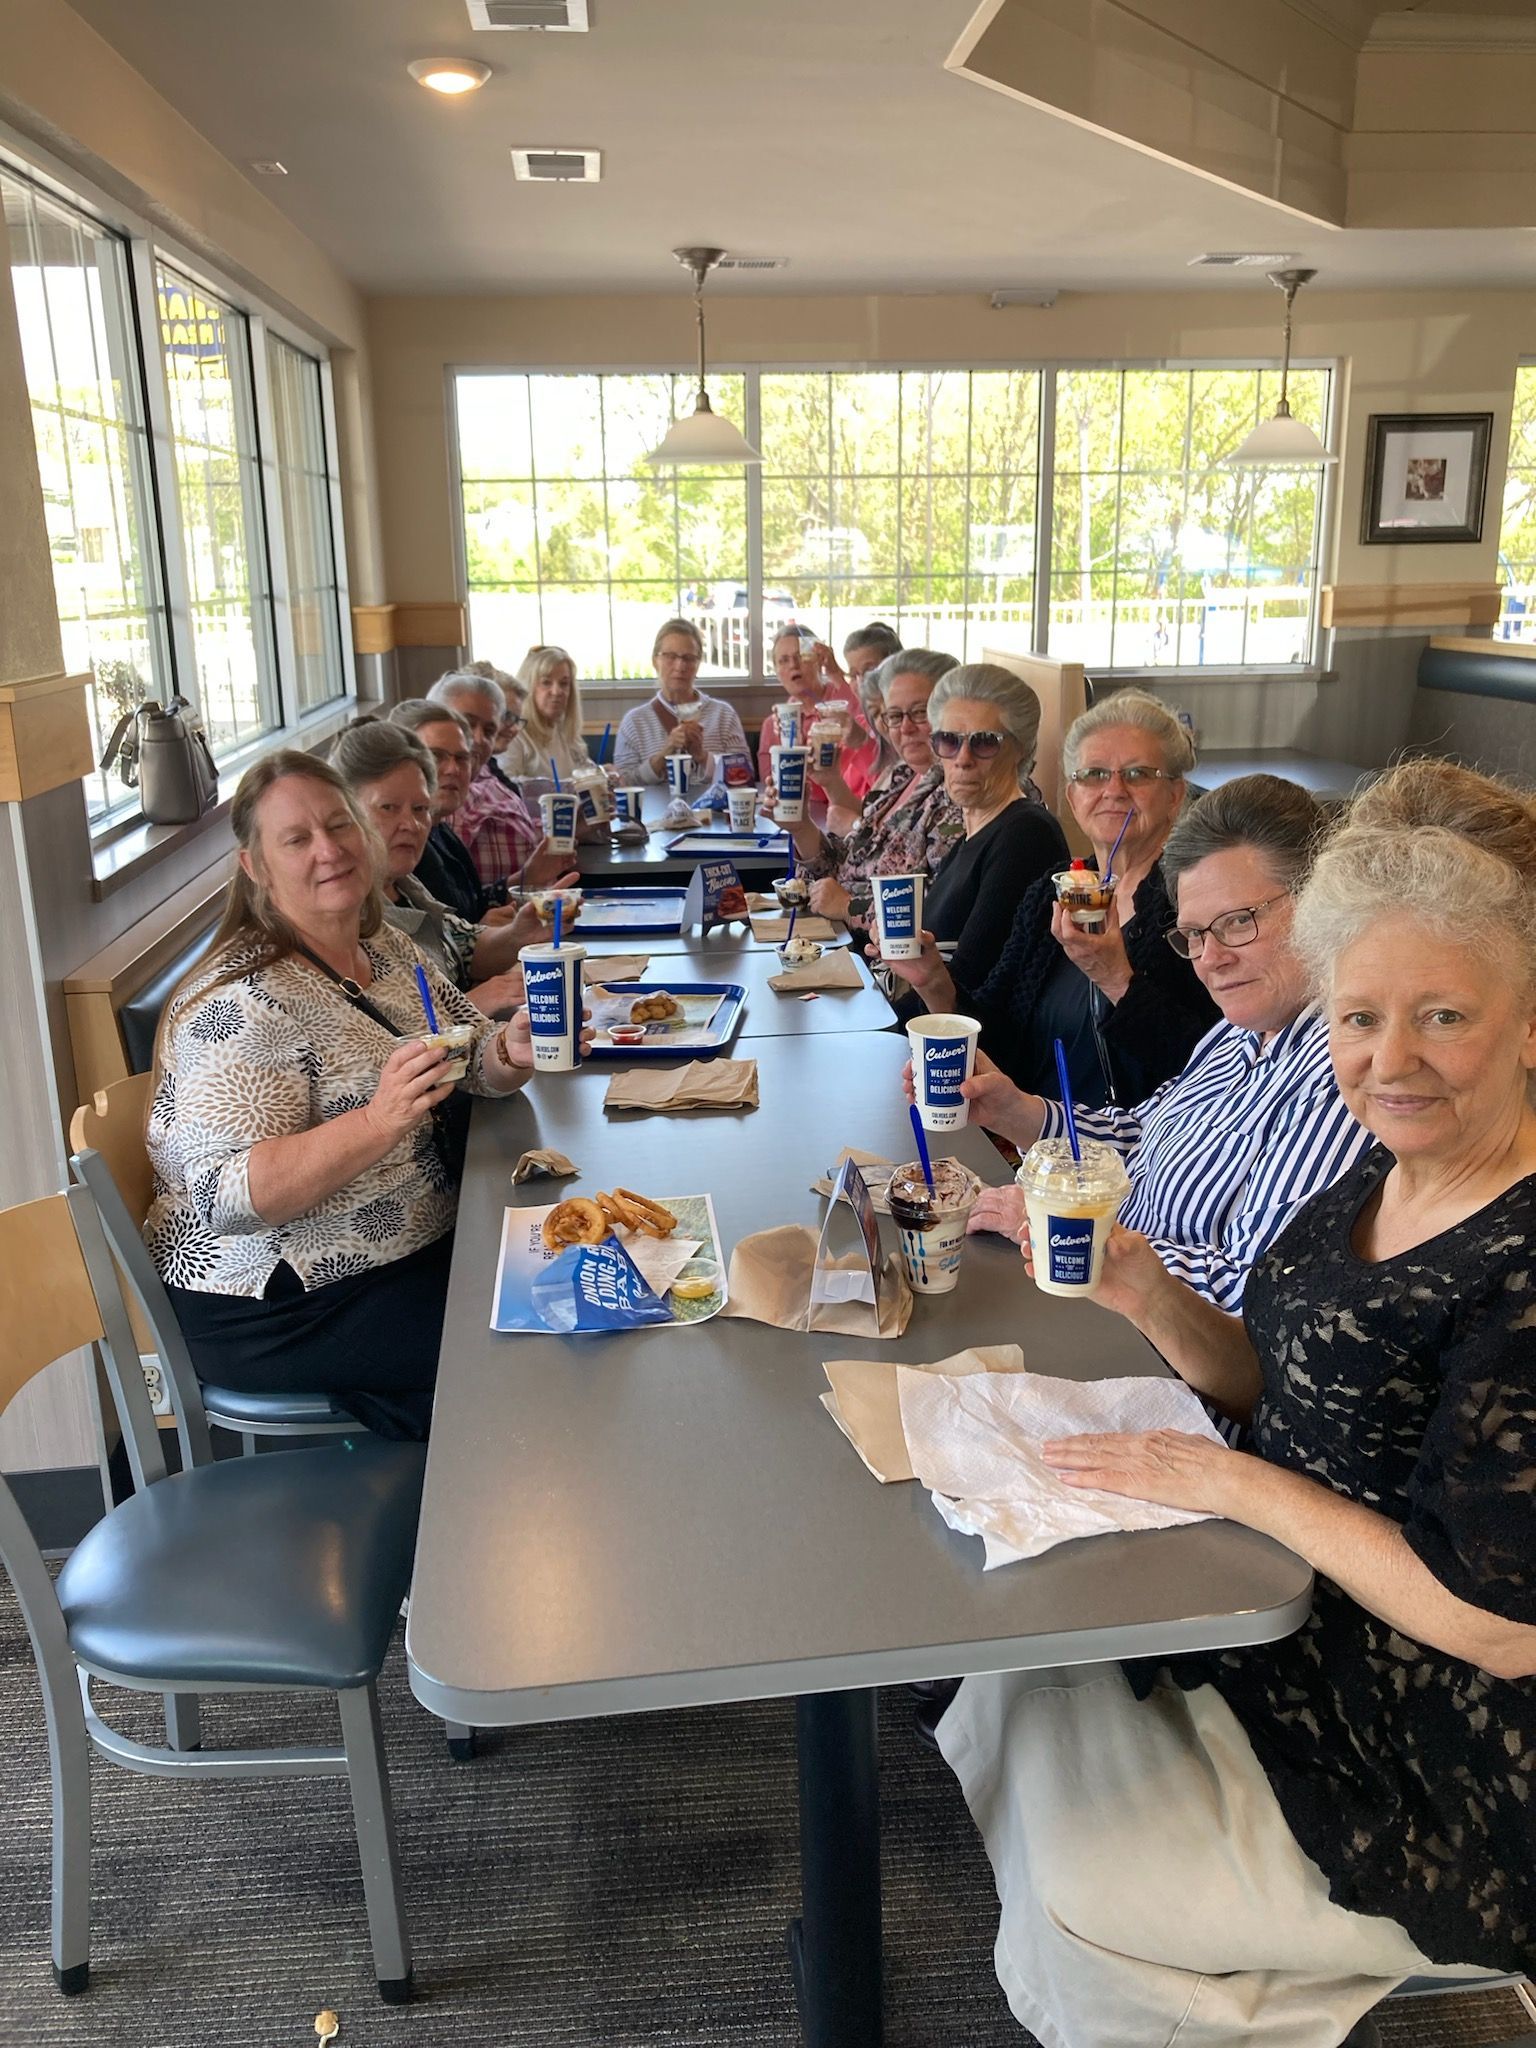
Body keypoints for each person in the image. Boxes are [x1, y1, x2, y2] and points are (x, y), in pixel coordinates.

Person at [942, 757, 1536, 2047]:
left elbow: (1502, 1626)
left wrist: (1226, 1479)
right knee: (1003, 1672)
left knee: (1067, 1813)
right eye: (1360, 1016)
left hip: (1437, 1728)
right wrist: (1144, 1292)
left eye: (1445, 1015)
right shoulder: (1380, 1173)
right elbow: (1274, 1369)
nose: (1390, 1060)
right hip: (1281, 1588)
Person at [145, 752, 547, 1442]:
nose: (329, 850)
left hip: (409, 1249)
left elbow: (471, 1053)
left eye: (339, 826)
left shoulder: (384, 949)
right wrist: (378, 1120)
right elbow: (228, 1197)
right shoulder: (240, 1005)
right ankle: (471, 1525)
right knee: (534, 1344)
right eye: (297, 839)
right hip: (287, 1301)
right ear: (255, 868)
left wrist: (508, 1053)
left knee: (567, 1287)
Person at [962, 775, 1369, 1312]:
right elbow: (1140, 1137)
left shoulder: (1346, 1071)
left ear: (1324, 906)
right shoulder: (1236, 1033)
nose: (1210, 958)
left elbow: (1254, 1291)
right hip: (1091, 1305)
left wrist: (1059, 1229)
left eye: (1238, 922)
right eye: (1195, 935)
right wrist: (1017, 1111)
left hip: (1152, 1354)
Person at [887, 688, 1213, 1110]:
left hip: (1130, 1156)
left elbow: (1208, 1067)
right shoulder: (1050, 893)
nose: (1113, 790)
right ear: (1073, 796)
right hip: (1032, 1143)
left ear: (1175, 795)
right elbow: (1000, 1040)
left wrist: (1116, 979)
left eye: (1137, 774)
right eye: (1093, 774)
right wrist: (932, 980)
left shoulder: (1191, 906)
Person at [870, 663, 1067, 1004]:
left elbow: (972, 990)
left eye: (984, 743)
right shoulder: (969, 839)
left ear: (1019, 748)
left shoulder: (1026, 837)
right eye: (948, 740)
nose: (962, 759)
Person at [329, 718, 548, 1013]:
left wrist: (519, 934)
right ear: (346, 813)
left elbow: (466, 947)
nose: (411, 824)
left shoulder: (407, 886)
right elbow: (373, 1040)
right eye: (389, 807)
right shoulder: (344, 914)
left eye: (420, 809)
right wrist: (468, 1008)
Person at [766, 650, 962, 924]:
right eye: (894, 715)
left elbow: (936, 913)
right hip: (838, 937)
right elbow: (845, 865)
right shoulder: (901, 777)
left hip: (879, 959)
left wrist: (849, 907)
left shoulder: (960, 792)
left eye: (920, 712)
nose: (905, 727)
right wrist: (801, 826)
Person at [390, 699, 572, 921]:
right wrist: (479, 935)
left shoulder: (442, 832)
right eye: (435, 756)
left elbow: (470, 907)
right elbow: (427, 942)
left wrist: (527, 876)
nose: (453, 769)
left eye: (462, 758)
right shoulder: (401, 844)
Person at [429, 666, 543, 886]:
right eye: (467, 724)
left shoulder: (487, 776)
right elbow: (454, 911)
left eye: (490, 730)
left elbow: (470, 903)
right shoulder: (440, 796)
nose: (479, 738)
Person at [755, 629, 881, 809]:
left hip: (854, 809)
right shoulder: (773, 725)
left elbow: (868, 720)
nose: (793, 665)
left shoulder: (844, 707)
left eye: (801, 657)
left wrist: (836, 674)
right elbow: (773, 789)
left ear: (818, 661)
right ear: (776, 671)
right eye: (783, 660)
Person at [613, 618, 749, 784]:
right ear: (655, 661)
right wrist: (665, 754)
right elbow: (623, 784)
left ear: (698, 664)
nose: (680, 666)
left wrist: (703, 757)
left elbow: (745, 776)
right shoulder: (634, 722)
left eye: (689, 658)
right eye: (670, 656)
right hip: (655, 810)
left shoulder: (723, 715)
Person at [504, 644, 594, 784]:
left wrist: (602, 774)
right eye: (546, 683)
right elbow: (504, 785)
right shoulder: (513, 734)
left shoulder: (565, 731)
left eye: (564, 684)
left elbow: (585, 771)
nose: (557, 691)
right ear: (528, 687)